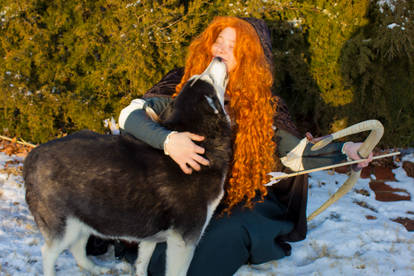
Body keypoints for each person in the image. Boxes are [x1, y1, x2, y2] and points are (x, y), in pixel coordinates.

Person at [117, 16, 372, 275]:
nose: (221, 50)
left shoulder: (262, 104)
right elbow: (130, 116)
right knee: (160, 255)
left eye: (233, 47)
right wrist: (169, 141)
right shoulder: (183, 83)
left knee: (222, 236)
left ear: (249, 58)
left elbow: (296, 155)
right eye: (219, 41)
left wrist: (345, 152)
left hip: (244, 200)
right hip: (191, 198)